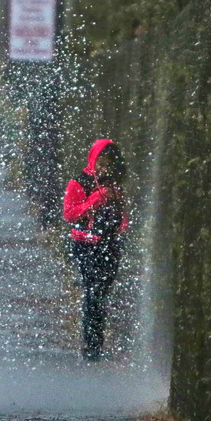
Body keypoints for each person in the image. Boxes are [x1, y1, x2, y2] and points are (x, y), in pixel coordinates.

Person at [63, 139, 129, 361]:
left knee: (102, 291)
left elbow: (121, 211)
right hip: (87, 244)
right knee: (94, 292)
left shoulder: (112, 184)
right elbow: (70, 214)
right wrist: (95, 200)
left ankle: (96, 338)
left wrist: (121, 223)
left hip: (109, 244)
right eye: (101, 161)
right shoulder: (78, 182)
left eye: (108, 163)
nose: (104, 167)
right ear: (93, 159)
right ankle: (92, 343)